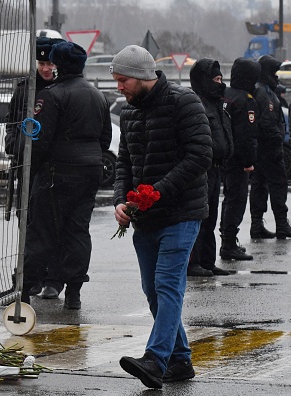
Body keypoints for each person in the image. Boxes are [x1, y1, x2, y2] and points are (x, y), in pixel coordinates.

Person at [110, 45, 212, 389]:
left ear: (141, 76)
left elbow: (200, 156)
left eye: (122, 80)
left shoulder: (185, 102)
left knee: (168, 286)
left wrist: (157, 191)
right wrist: (122, 201)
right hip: (146, 219)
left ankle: (155, 359)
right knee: (152, 290)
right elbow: (124, 163)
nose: (118, 87)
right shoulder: (128, 113)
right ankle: (180, 361)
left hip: (182, 213)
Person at [21, 41, 112, 309]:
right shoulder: (98, 96)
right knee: (78, 232)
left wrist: (33, 169)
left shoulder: (51, 95)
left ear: (58, 65)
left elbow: (41, 140)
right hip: (90, 170)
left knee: (42, 232)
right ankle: (74, 291)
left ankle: (25, 290)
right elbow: (104, 139)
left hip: (56, 173)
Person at [0, 35, 64, 303]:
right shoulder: (24, 89)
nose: (45, 68)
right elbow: (12, 123)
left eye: (50, 62)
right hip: (27, 169)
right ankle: (28, 280)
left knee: (54, 225)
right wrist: (15, 144)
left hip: (53, 170)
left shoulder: (65, 88)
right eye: (41, 62)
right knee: (28, 225)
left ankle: (54, 279)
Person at [187, 58, 234, 276]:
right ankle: (193, 263)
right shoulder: (195, 103)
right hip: (201, 170)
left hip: (216, 169)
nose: (220, 83)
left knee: (211, 217)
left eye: (221, 78)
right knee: (200, 218)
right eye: (216, 79)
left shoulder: (216, 102)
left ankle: (207, 261)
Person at [219, 58, 260, 260]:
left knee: (228, 199)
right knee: (236, 200)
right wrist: (248, 161)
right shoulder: (246, 100)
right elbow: (246, 136)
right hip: (237, 160)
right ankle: (228, 244)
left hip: (225, 156)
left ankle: (227, 240)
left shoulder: (225, 95)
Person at [249, 55, 291, 239]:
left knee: (259, 186)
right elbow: (267, 123)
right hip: (269, 150)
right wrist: (276, 144)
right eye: (274, 71)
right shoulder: (264, 93)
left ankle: (257, 225)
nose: (277, 75)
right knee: (277, 185)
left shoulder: (262, 90)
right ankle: (282, 225)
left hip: (262, 150)